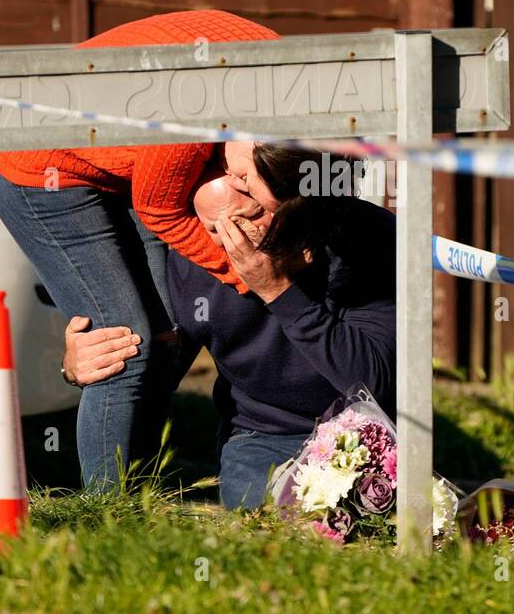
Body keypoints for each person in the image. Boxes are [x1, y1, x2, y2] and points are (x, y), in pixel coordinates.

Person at [0, 10, 279, 488]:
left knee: (171, 334)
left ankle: (141, 485)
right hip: (39, 166)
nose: (241, 189)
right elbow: (159, 212)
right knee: (126, 347)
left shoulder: (291, 86)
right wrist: (244, 273)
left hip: (124, 159)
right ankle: (111, 513)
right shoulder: (192, 118)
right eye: (242, 179)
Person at [65, 144, 397, 509]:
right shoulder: (193, 264)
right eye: (214, 228)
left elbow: (373, 379)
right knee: (278, 532)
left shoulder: (360, 234)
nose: (238, 239)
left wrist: (280, 292)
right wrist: (78, 366)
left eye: (251, 212)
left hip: (366, 426)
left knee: (384, 532)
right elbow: (154, 368)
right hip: (262, 437)